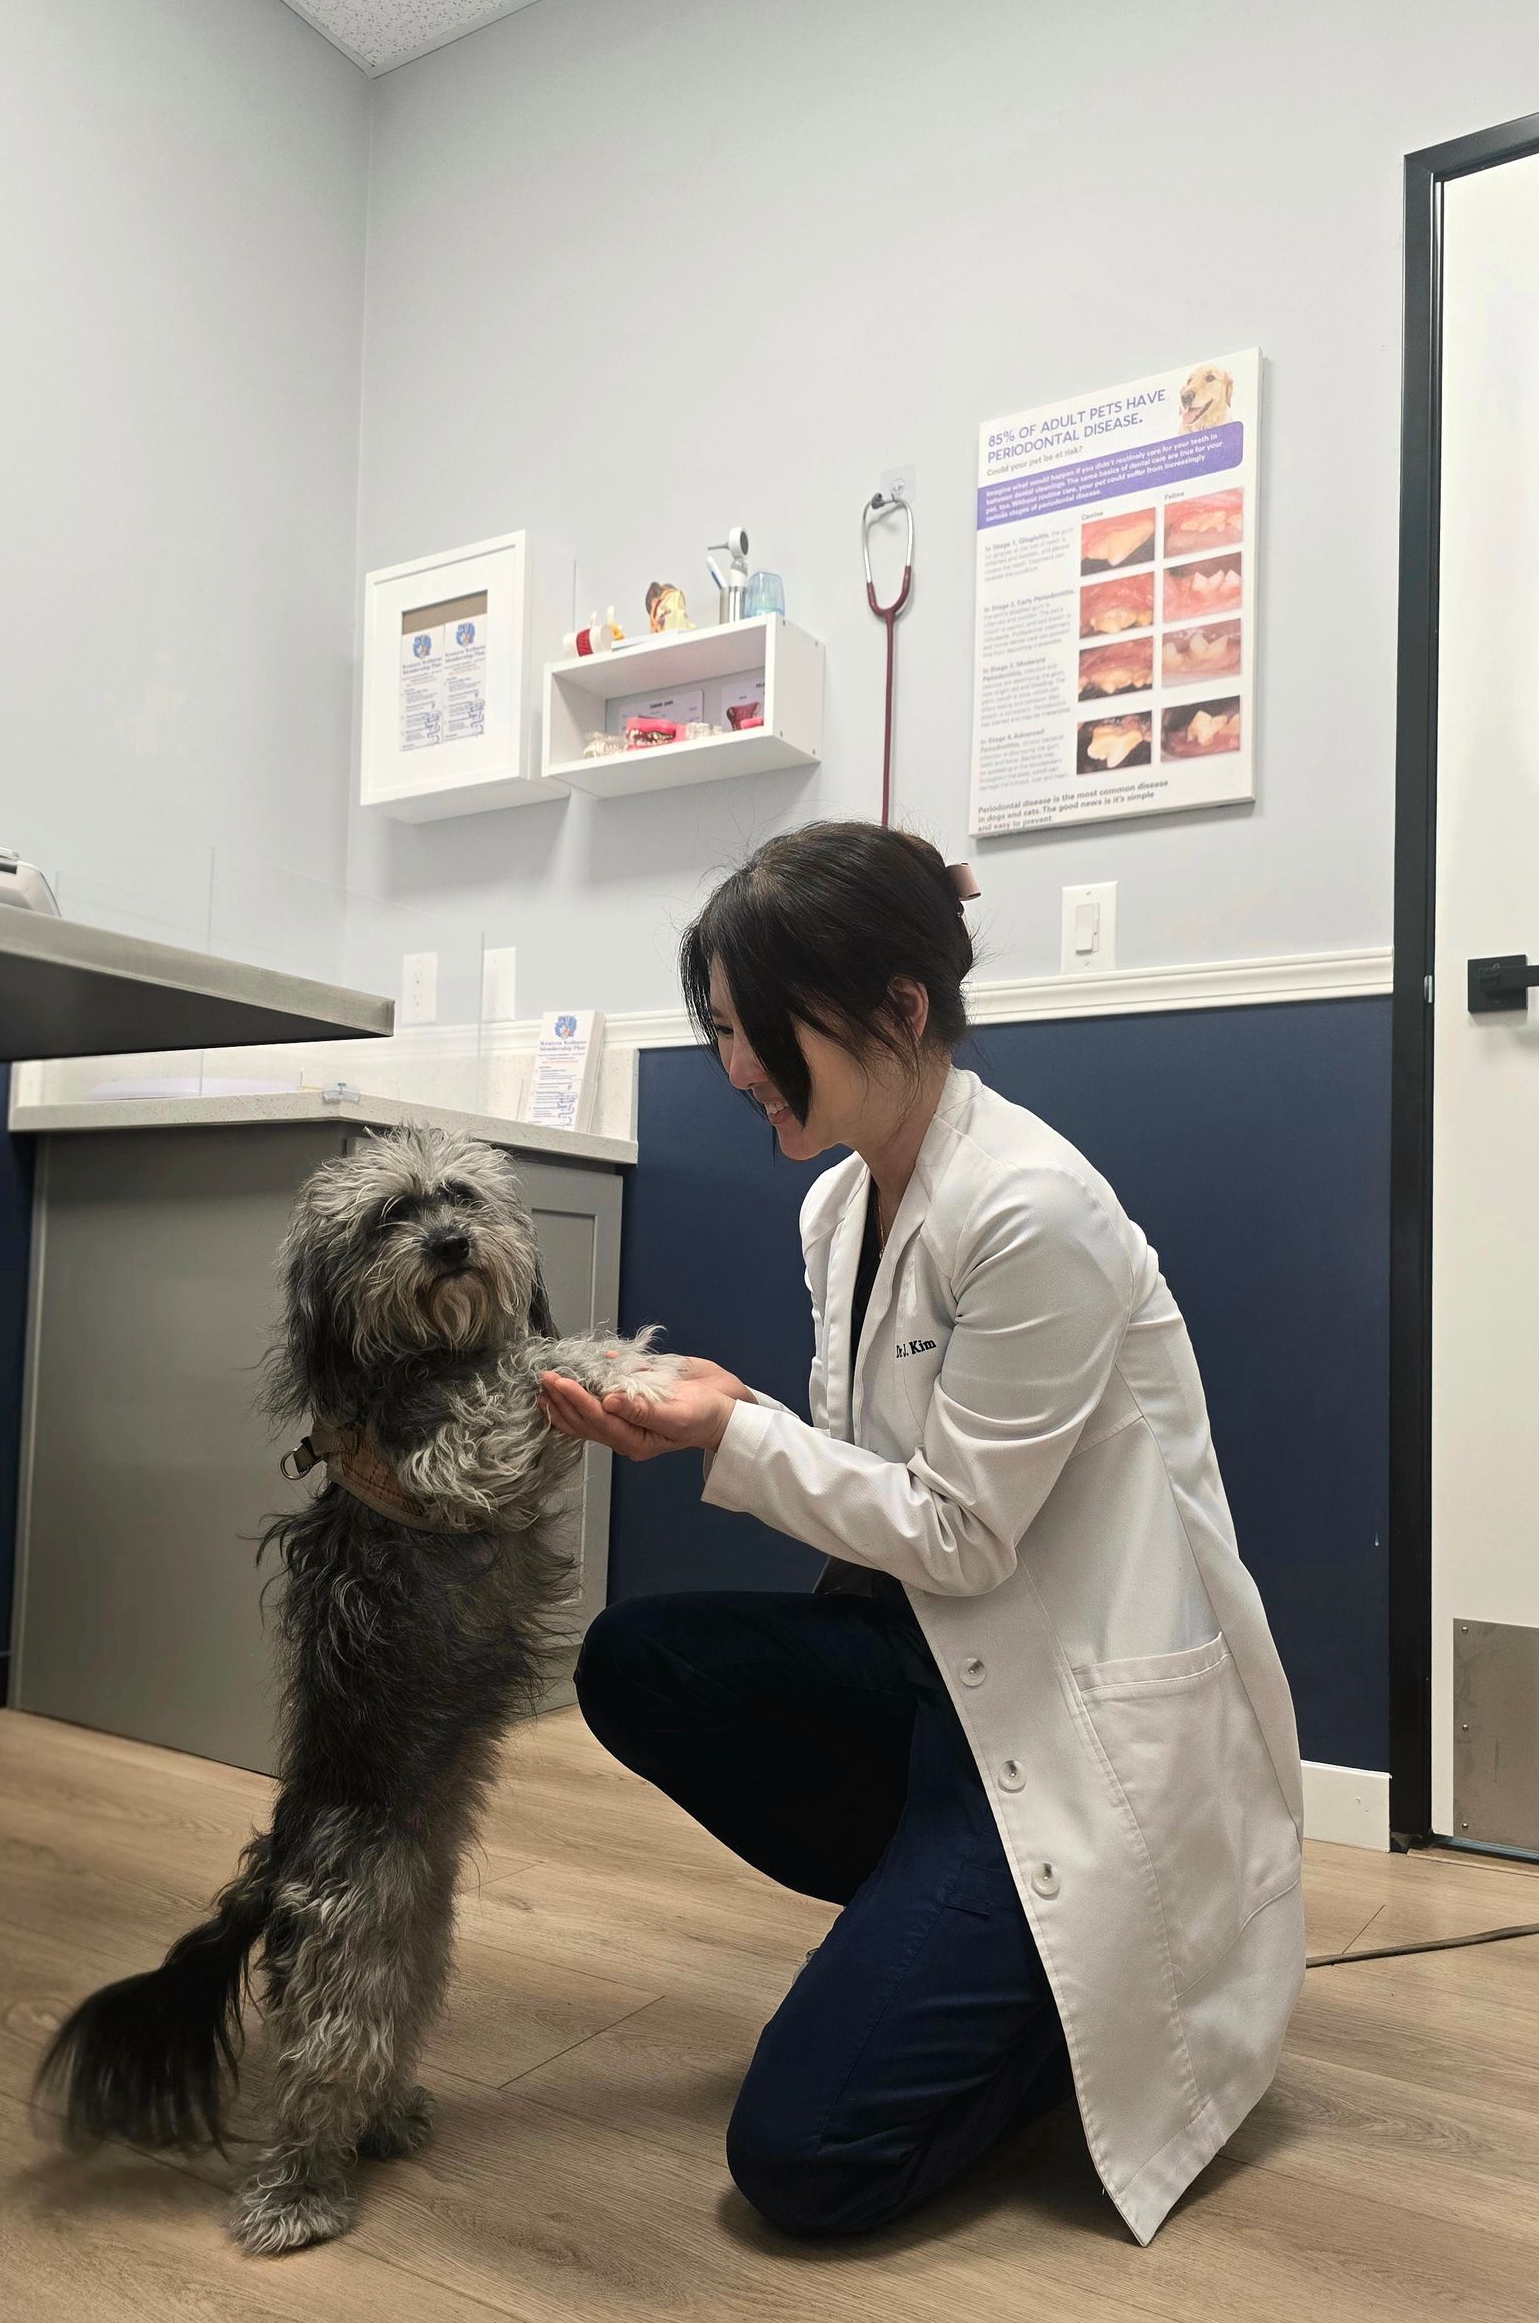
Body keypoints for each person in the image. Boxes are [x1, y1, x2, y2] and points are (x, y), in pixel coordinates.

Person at [540, 821, 1304, 2247]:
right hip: (939, 1663)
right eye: (718, 1029)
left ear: (902, 1011)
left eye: (761, 1030)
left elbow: (956, 1535)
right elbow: (886, 1471)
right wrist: (730, 1411)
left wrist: (730, 1436)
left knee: (805, 2164)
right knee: (636, 1663)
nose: (738, 1067)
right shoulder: (842, 1201)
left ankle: (1056, 1992)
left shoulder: (1033, 1208)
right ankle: (945, 1923)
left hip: (1071, 1719)